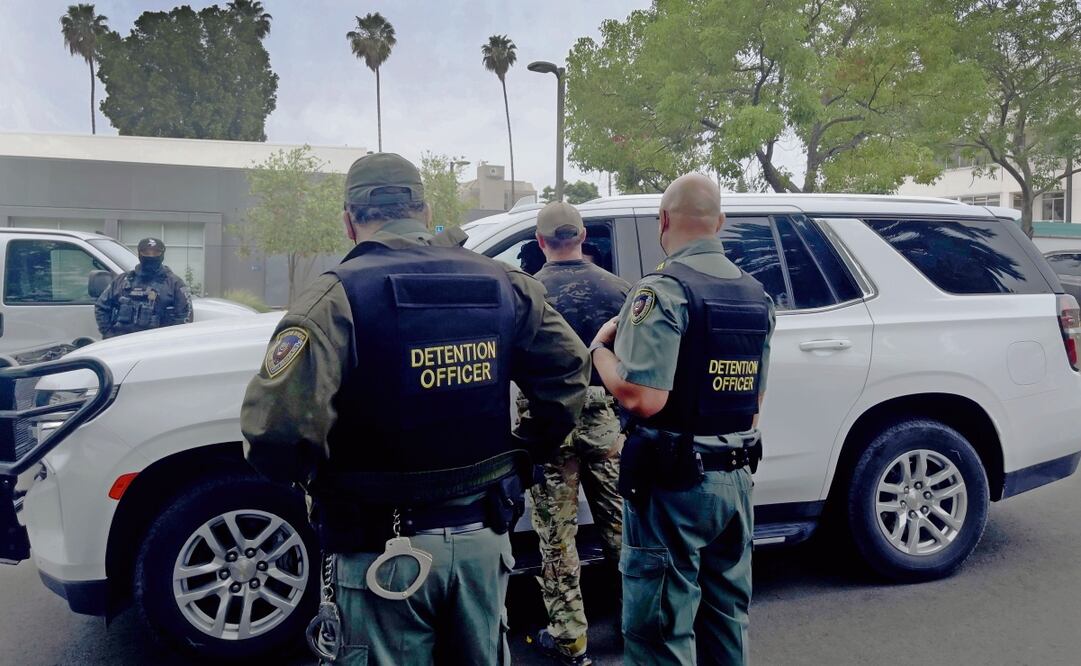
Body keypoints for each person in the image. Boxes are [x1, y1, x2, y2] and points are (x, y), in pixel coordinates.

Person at [240, 153, 590, 666]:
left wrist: (317, 478)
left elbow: (275, 432)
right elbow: (569, 371)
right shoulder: (506, 283)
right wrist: (528, 449)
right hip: (481, 543)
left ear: (349, 219)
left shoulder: (334, 297)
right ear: (426, 212)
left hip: (379, 554)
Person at [590, 173, 774, 665]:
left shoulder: (662, 290)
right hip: (734, 483)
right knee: (725, 620)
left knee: (659, 630)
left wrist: (600, 352)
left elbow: (642, 397)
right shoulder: (756, 296)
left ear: (664, 220)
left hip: (674, 488)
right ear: (721, 222)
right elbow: (753, 401)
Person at [524, 202, 630, 666]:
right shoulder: (621, 290)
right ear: (584, 236)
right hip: (605, 416)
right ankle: (635, 623)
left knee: (556, 534)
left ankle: (570, 639)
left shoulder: (527, 292)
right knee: (621, 524)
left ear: (541, 241)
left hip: (549, 420)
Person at [94, 237, 193, 338]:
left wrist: (171, 340)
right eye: (146, 253)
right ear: (139, 254)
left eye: (155, 253)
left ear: (162, 255)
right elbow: (101, 306)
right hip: (122, 344)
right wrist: (108, 333)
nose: (151, 256)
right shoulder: (122, 280)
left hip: (158, 344)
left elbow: (186, 316)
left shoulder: (175, 283)